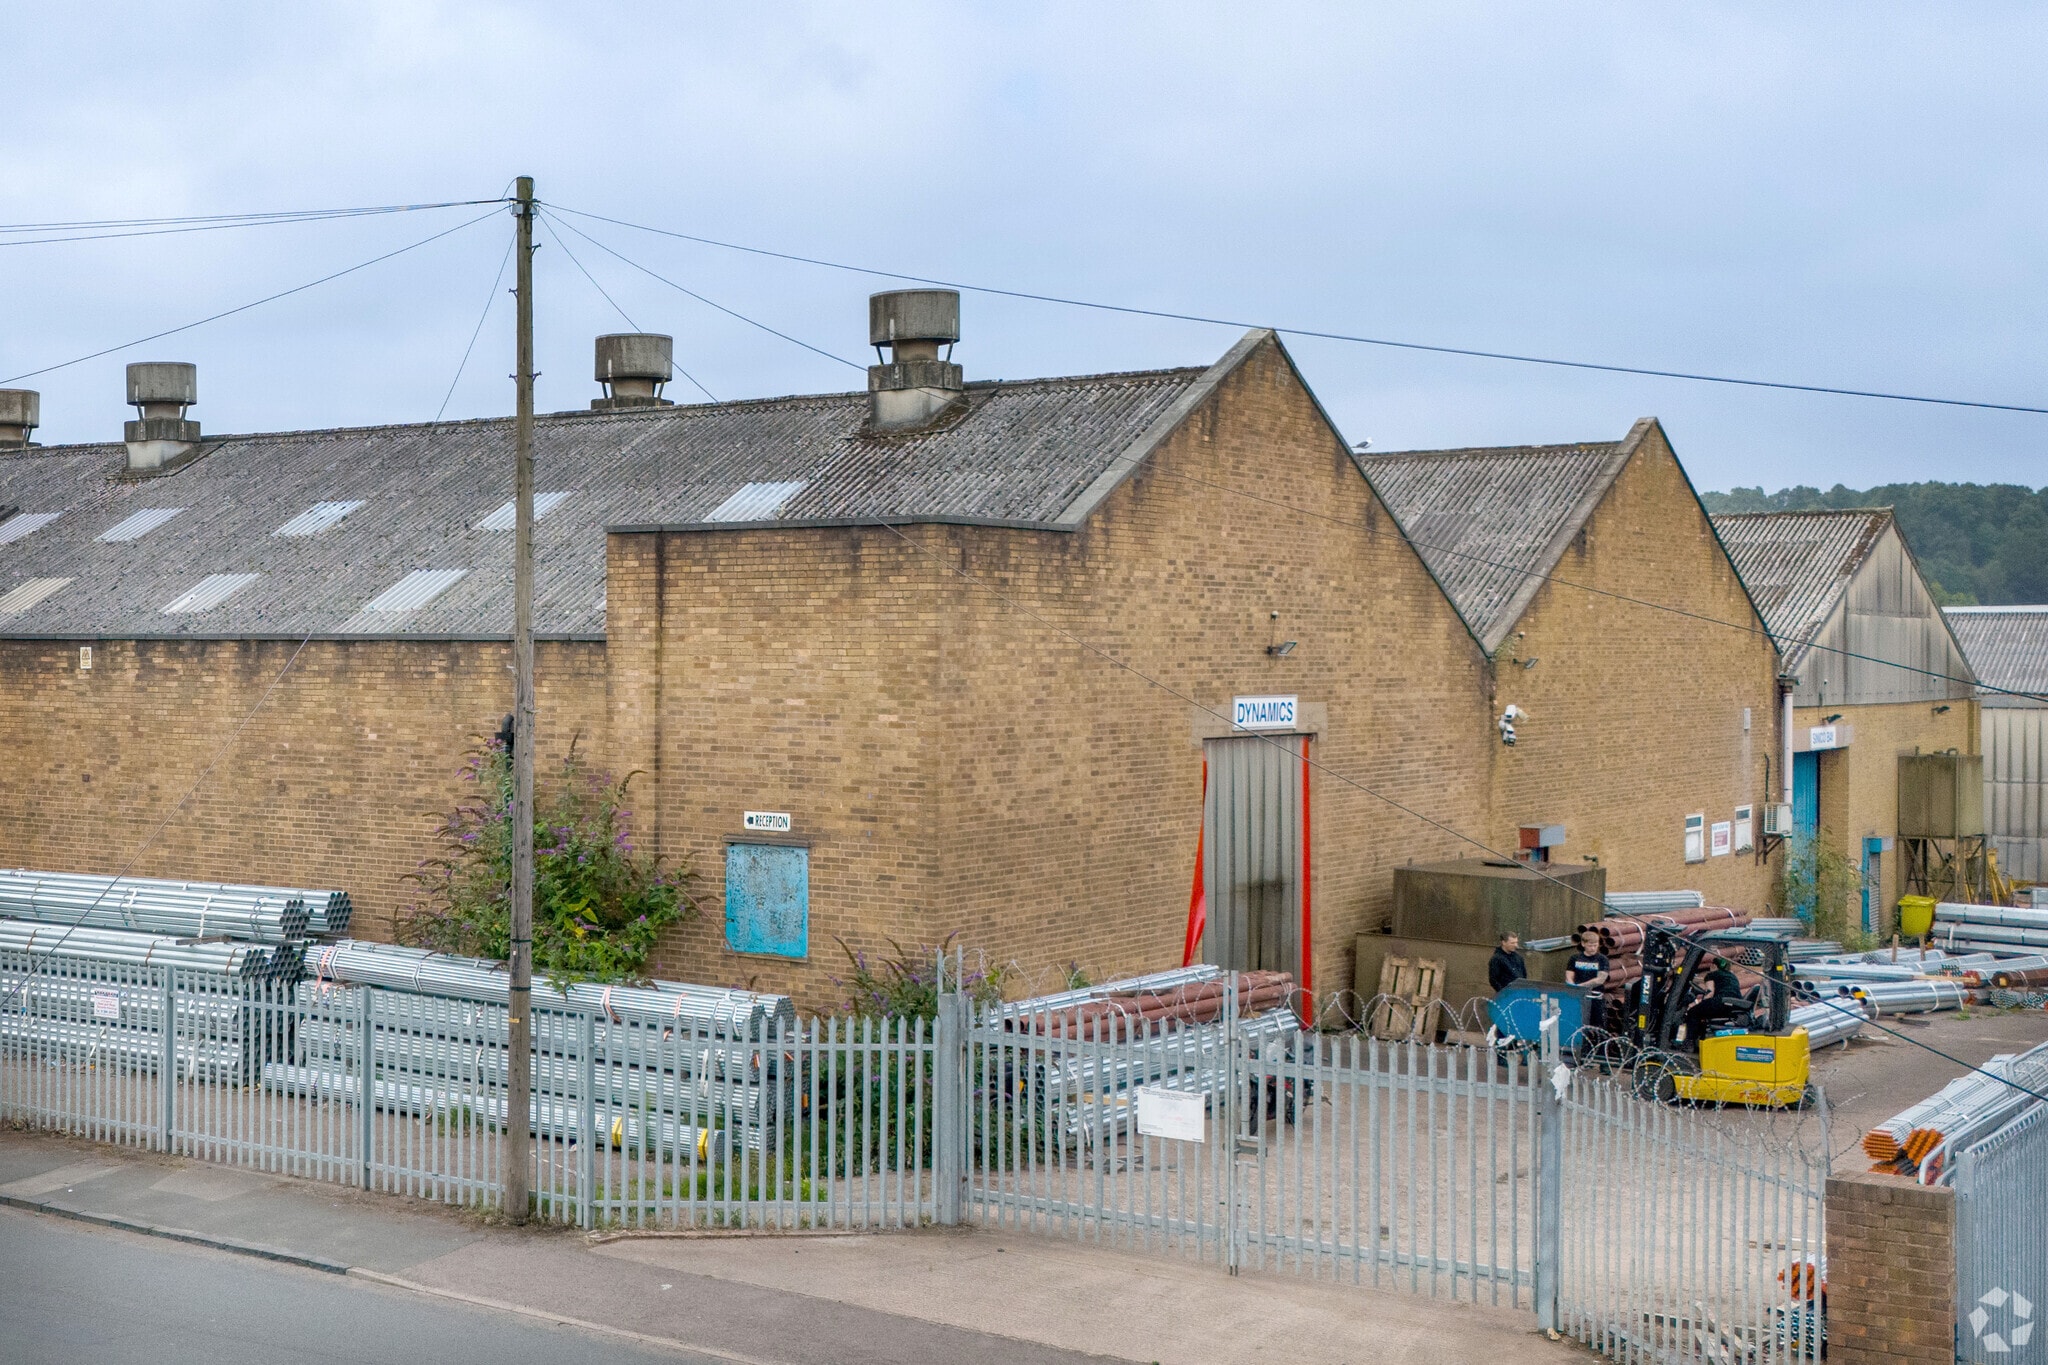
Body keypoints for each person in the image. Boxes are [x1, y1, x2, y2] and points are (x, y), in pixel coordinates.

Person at [1685, 956, 1747, 1039]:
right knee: (1702, 1010)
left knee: (1693, 1012)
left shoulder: (1712, 975)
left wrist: (1696, 1004)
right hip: (1735, 1005)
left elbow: (1710, 992)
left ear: (1714, 966)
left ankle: (1689, 1042)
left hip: (1721, 1002)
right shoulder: (1732, 976)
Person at [1565, 928, 1610, 1034]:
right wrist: (1573, 986)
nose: (1593, 948)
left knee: (1597, 1026)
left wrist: (1581, 986)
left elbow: (1600, 979)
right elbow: (1569, 975)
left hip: (1595, 996)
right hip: (1578, 997)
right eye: (1590, 945)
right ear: (1583, 944)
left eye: (1596, 945)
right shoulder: (1575, 958)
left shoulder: (1602, 959)